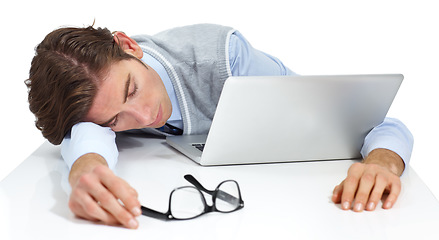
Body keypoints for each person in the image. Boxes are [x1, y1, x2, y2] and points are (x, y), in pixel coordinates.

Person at [26, 23, 413, 229]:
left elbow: (371, 122)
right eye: (115, 121)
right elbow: (87, 135)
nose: (143, 118)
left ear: (129, 45)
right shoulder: (99, 101)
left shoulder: (226, 59)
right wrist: (85, 169)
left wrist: (382, 162)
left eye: (133, 91)